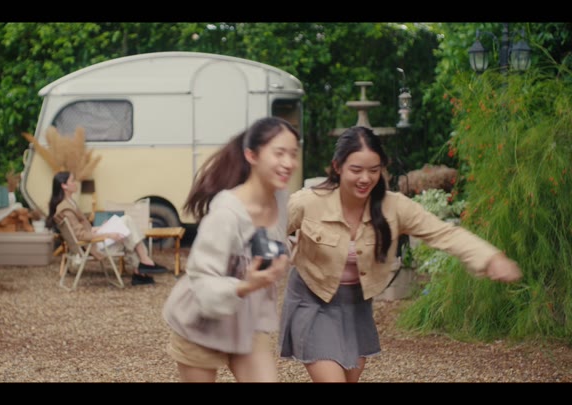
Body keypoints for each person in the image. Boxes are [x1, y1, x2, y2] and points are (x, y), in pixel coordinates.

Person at [278, 126, 523, 382]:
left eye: (374, 170)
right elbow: (269, 231)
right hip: (312, 299)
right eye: (356, 170)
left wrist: (490, 257)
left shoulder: (394, 207)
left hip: (356, 304)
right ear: (337, 167)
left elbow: (443, 233)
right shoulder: (308, 202)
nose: (365, 178)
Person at [162, 116, 300, 382]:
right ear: (251, 155)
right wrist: (245, 285)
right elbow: (202, 279)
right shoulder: (226, 213)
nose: (289, 163)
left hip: (247, 320)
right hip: (200, 322)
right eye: (279, 153)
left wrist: (285, 255)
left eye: (293, 154)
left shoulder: (281, 200)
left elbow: (272, 245)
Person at [46, 171, 167, 286]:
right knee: (126, 227)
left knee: (126, 224)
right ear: (64, 186)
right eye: (72, 180)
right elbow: (80, 235)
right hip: (93, 246)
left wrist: (101, 228)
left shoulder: (69, 203)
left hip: (93, 241)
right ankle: (143, 264)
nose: (75, 183)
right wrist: (108, 234)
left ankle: (141, 269)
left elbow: (82, 230)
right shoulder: (66, 209)